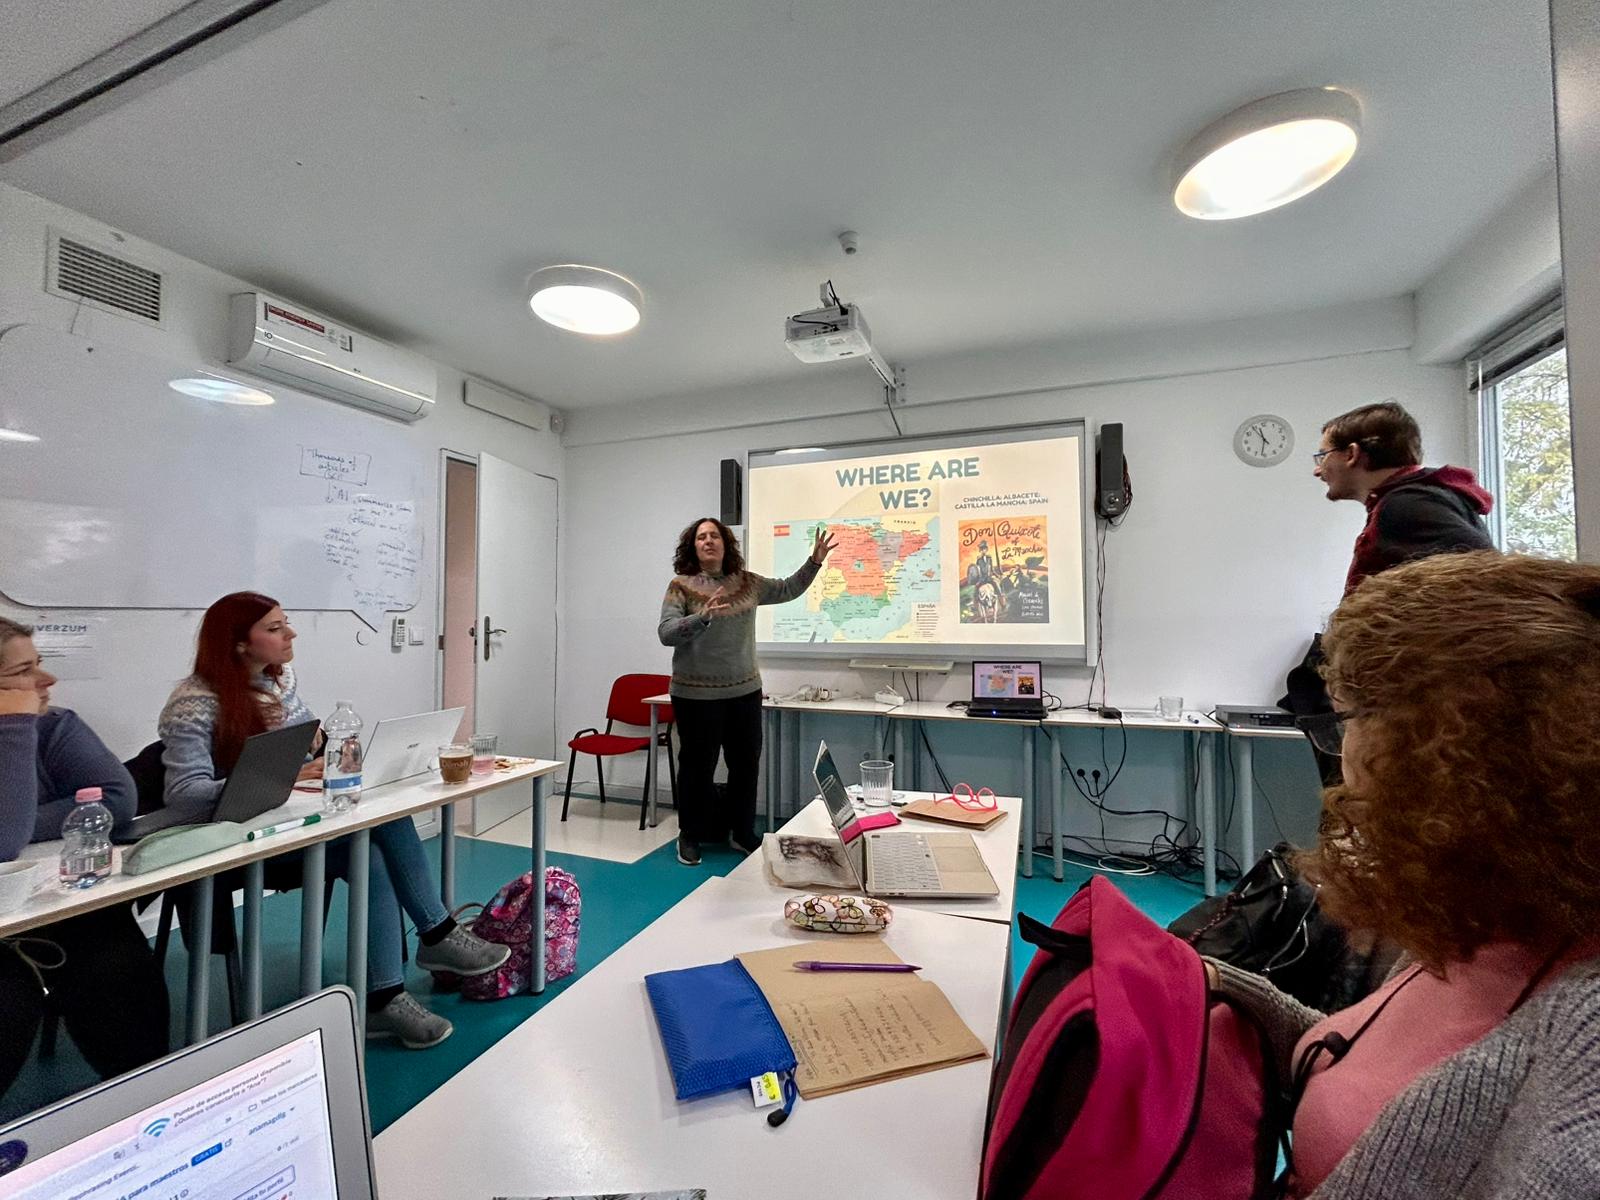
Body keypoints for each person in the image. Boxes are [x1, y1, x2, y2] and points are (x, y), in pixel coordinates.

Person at [1209, 552, 1600, 1198]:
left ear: (1456, 752)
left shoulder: (1578, 1031)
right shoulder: (1479, 922)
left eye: (1357, 719)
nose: (1346, 751)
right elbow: (1355, 1059)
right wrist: (1225, 986)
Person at [158, 592, 509, 1049]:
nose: (291, 634)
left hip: (286, 827)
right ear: (239, 643)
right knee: (376, 838)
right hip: (230, 846)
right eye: (275, 627)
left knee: (375, 845)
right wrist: (282, 776)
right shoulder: (193, 703)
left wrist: (321, 752)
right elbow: (184, 797)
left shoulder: (277, 684)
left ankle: (385, 996)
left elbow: (312, 743)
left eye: (286, 623)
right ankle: (436, 936)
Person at [0, 617, 170, 1106]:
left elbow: (116, 798)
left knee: (113, 962)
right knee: (9, 999)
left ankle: (149, 1106)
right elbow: (3, 841)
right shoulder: (23, 728)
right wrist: (12, 724)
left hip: (54, 902)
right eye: (24, 671)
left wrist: (30, 815)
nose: (46, 681)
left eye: (40, 665)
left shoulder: (56, 726)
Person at [657, 518, 835, 866]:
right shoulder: (680, 586)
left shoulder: (749, 583)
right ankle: (690, 835)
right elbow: (666, 633)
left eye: (714, 536)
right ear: (692, 547)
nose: (708, 541)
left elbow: (787, 589)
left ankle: (741, 832)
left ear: (726, 543)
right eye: (700, 537)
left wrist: (813, 562)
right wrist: (701, 619)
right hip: (695, 696)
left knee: (745, 766)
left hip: (744, 693)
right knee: (697, 768)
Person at [1310, 400, 1494, 596]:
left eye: (1323, 456)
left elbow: (1483, 586)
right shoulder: (1422, 497)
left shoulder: (1407, 505)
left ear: (1351, 454)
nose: (1317, 470)